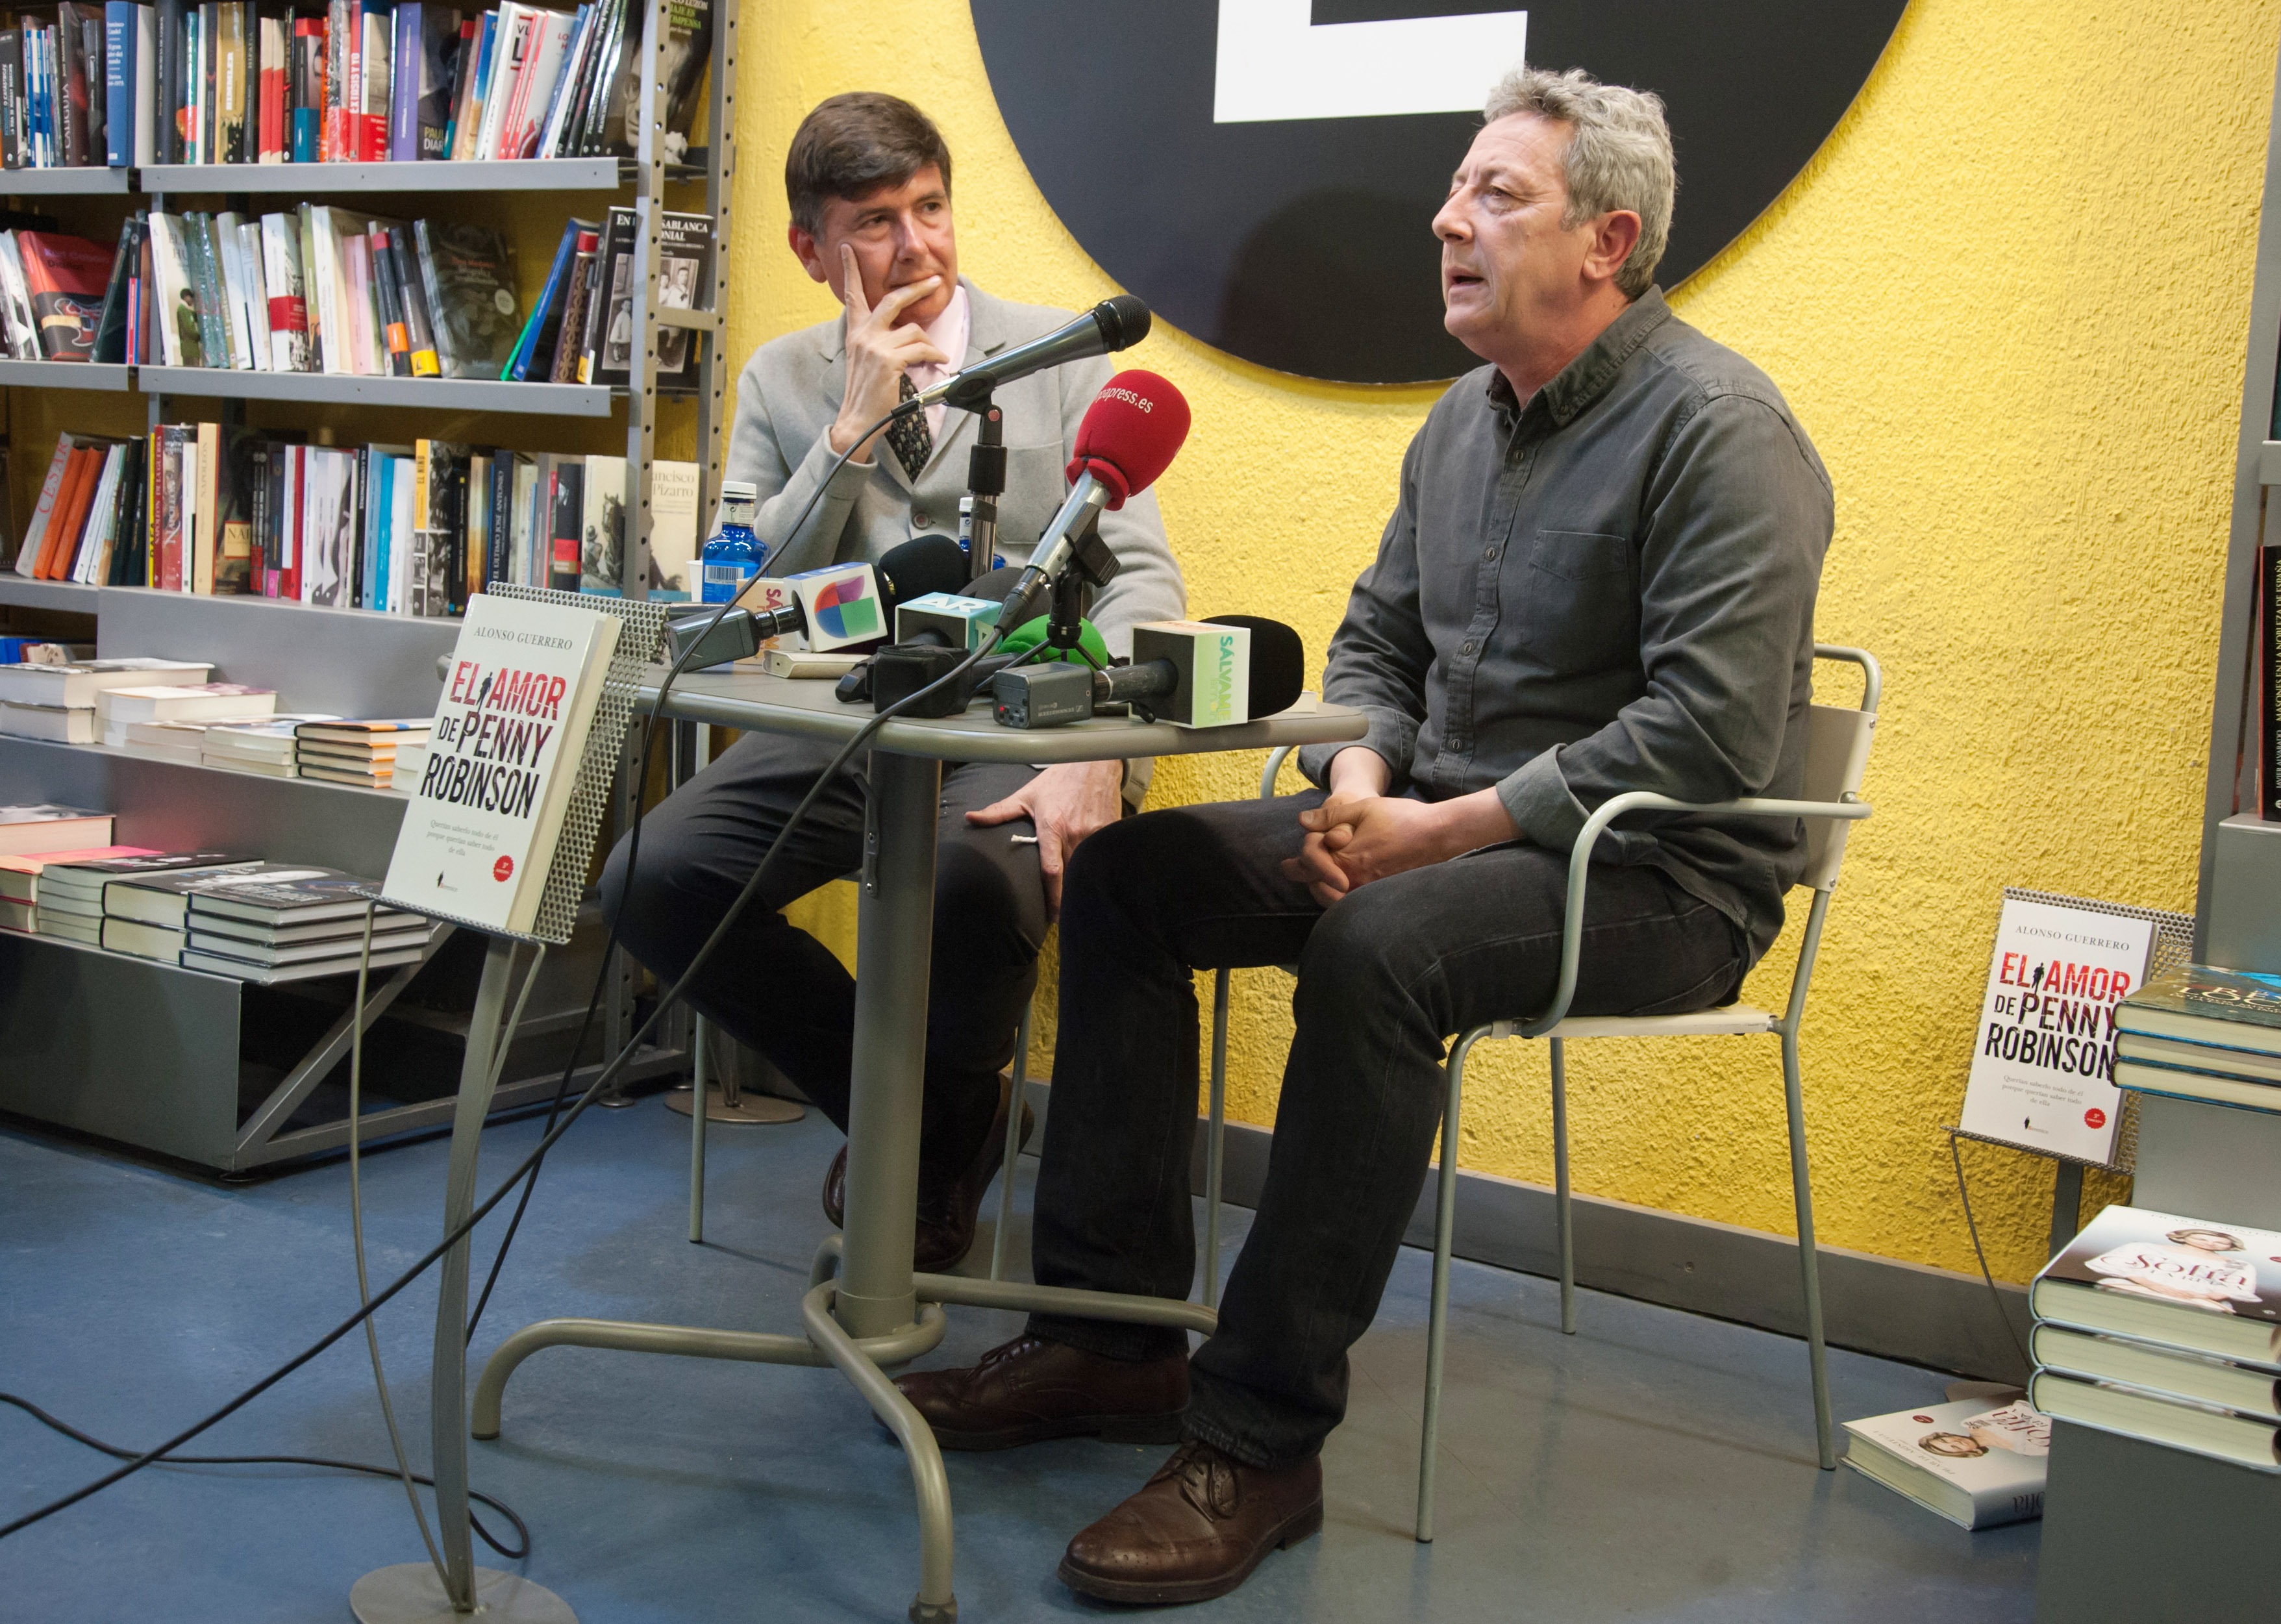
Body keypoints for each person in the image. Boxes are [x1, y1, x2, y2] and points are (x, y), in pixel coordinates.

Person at [895, 66, 1836, 1604]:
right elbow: (1377, 645)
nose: (1443, 219)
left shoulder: (1722, 431)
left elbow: (1711, 735)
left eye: (1494, 196)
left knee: (1385, 947)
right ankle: (1103, 1338)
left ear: (1607, 242)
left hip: (1661, 876)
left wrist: (1437, 831)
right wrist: (1355, 789)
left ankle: (1258, 1440)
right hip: (1435, 827)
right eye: (1455, 191)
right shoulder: (1460, 422)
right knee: (1131, 877)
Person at [599, 93, 1184, 1271]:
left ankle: (922, 1148)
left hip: (1020, 721)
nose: (917, 244)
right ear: (811, 251)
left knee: (973, 888)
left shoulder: (1062, 354)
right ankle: (932, 1123)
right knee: (650, 881)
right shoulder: (779, 379)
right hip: (846, 723)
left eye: (930, 208)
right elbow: (741, 591)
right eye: (875, 222)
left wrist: (1099, 754)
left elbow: (1141, 581)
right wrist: (850, 431)